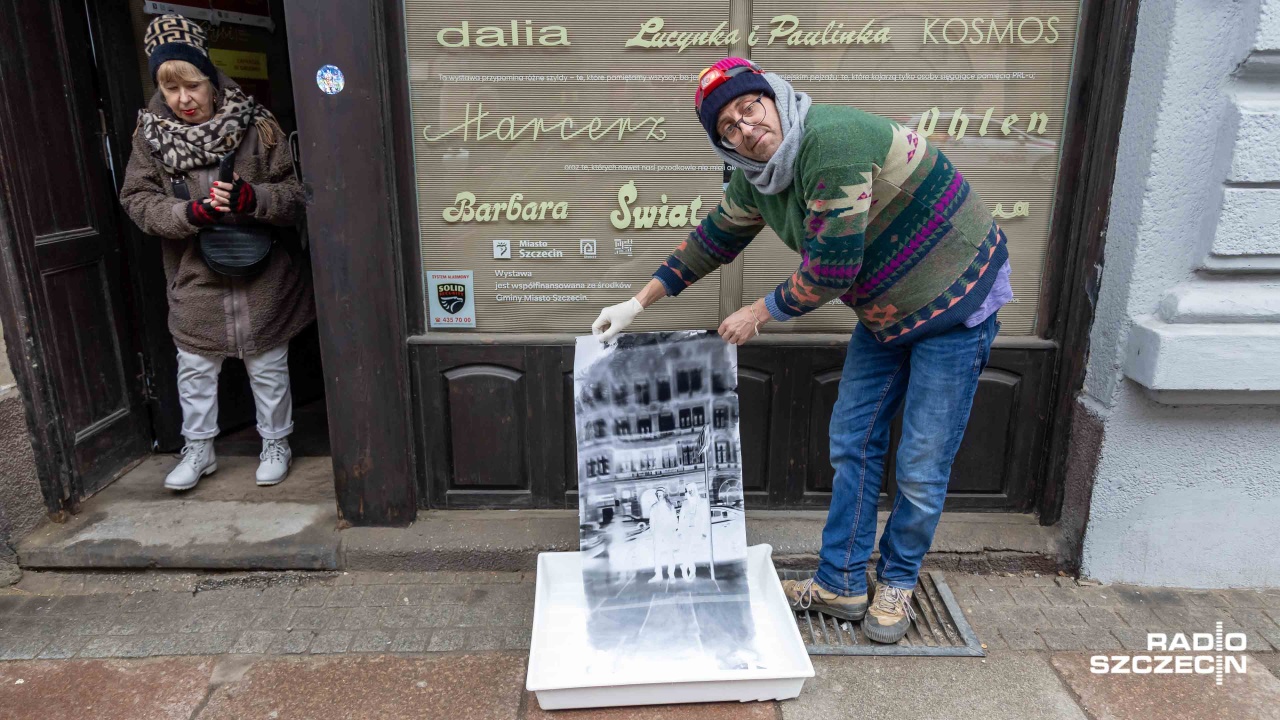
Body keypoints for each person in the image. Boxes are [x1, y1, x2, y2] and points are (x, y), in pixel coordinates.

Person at [592, 58, 1011, 643]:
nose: (745, 129)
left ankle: (897, 580)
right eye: (728, 129)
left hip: (955, 291)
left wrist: (757, 314)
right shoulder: (757, 177)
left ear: (774, 98)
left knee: (920, 462)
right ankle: (841, 582)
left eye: (750, 109)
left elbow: (834, 270)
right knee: (853, 441)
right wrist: (638, 303)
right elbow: (713, 239)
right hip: (887, 308)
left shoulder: (830, 142)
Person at [119, 15, 314, 491]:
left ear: (211, 79)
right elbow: (137, 200)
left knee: (268, 367)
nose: (183, 100)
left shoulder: (257, 124)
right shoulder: (150, 137)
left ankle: (276, 442)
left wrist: (254, 199)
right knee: (195, 369)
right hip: (196, 276)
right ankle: (200, 449)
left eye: (192, 85)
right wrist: (190, 213)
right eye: (171, 90)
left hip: (263, 274)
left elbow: (296, 195)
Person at [647, 487, 678, 583]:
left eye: (660, 493)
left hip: (668, 533)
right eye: (657, 494)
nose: (659, 495)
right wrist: (653, 533)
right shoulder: (653, 507)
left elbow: (675, 521)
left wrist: (672, 531)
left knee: (670, 554)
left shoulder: (670, 506)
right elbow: (651, 522)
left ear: (664, 494)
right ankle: (658, 575)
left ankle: (671, 575)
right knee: (657, 554)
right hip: (658, 534)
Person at [677, 483, 708, 580]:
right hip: (687, 531)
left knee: (692, 551)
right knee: (687, 550)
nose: (691, 491)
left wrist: (704, 532)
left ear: (696, 489)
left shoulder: (703, 502)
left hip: (697, 531)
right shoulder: (685, 503)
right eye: (689, 490)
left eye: (692, 489)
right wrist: (679, 531)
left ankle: (685, 567)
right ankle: (691, 571)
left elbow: (705, 519)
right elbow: (681, 518)